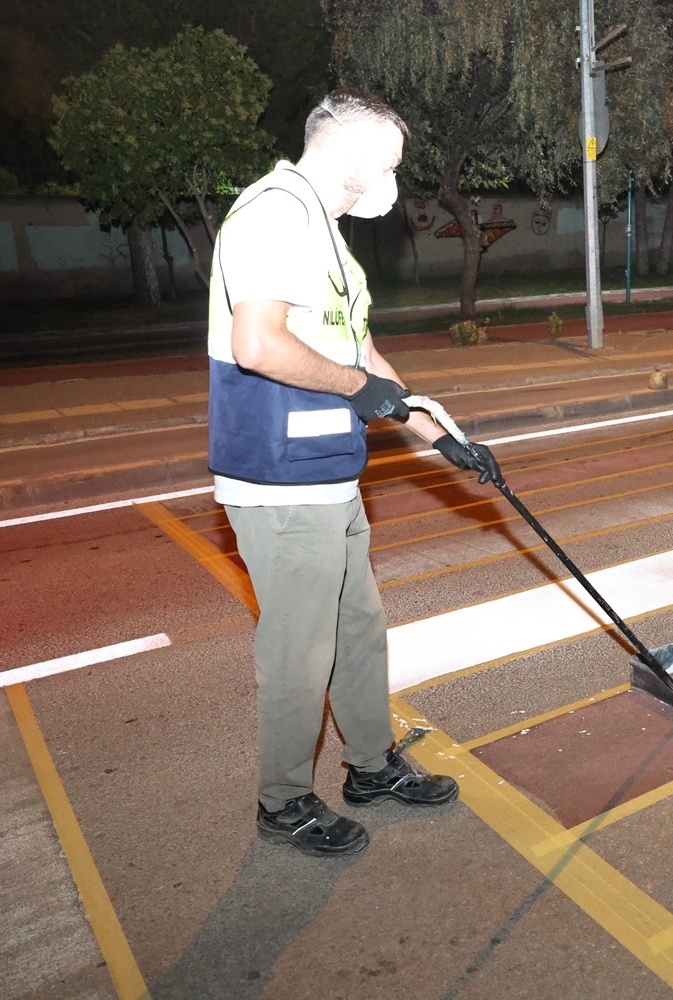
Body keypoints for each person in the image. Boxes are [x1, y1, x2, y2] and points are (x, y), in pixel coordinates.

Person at [207, 88, 503, 856]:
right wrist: (359, 389)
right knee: (300, 650)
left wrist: (442, 436)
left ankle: (370, 766)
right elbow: (258, 345)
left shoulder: (328, 234)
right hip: (278, 478)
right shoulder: (275, 213)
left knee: (357, 630)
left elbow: (364, 358)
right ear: (345, 150)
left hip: (329, 472)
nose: (395, 181)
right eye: (390, 164)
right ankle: (284, 801)